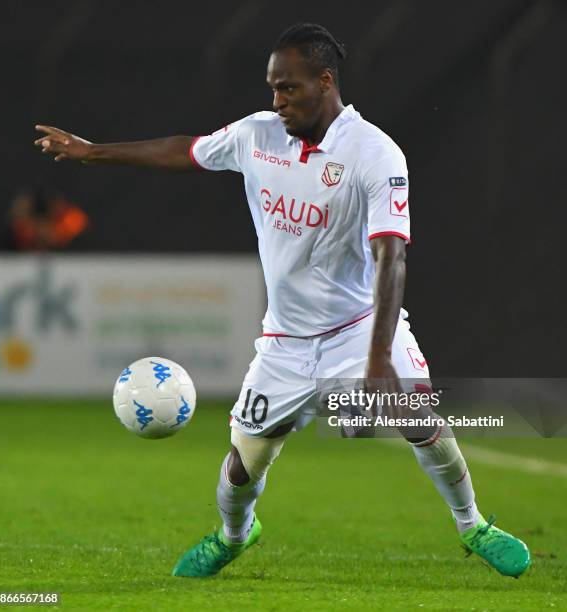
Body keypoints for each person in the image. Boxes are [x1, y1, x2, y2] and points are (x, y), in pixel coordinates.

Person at [34, 22, 530, 579]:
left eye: (288, 88)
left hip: (357, 329)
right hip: (284, 343)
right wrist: (91, 152)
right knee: (242, 469)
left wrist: (375, 362)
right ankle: (233, 536)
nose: (277, 101)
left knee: (420, 420)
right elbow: (187, 151)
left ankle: (473, 526)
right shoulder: (258, 136)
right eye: (272, 88)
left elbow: (393, 257)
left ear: (324, 81)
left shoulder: (375, 154)